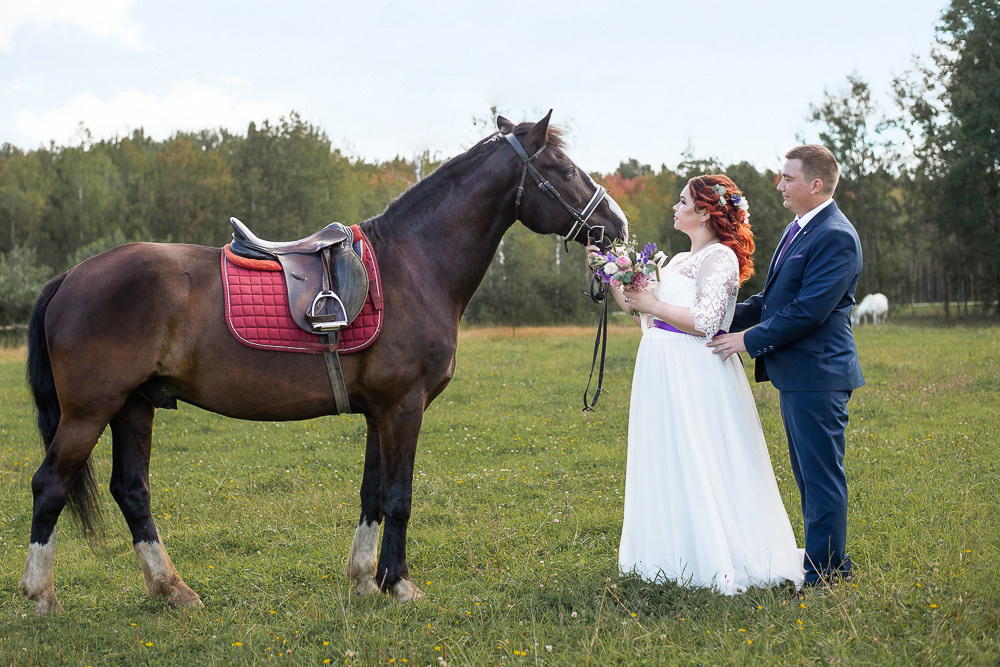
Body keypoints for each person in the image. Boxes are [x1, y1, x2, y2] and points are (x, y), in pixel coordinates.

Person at [589, 174, 803, 595]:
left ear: (704, 211)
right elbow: (645, 313)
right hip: (660, 364)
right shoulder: (678, 260)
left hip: (694, 369)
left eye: (682, 200)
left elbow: (706, 323)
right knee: (668, 455)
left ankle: (716, 553)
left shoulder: (719, 257)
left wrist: (652, 303)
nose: (674, 206)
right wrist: (610, 275)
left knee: (700, 454)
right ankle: (673, 553)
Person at [708, 146, 864, 589]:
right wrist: (714, 319)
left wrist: (746, 340)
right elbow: (770, 301)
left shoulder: (836, 235)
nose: (779, 186)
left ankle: (828, 574)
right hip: (798, 376)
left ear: (815, 185)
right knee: (808, 475)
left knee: (820, 478)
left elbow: (808, 310)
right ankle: (823, 564)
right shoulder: (797, 230)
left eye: (786, 178)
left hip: (820, 376)